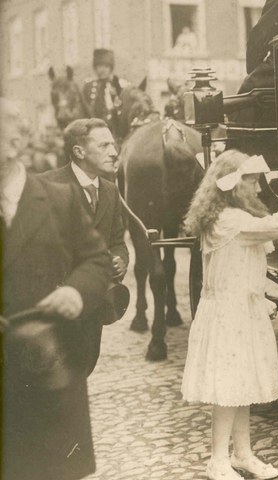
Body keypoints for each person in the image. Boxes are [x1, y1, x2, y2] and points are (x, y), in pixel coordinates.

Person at [181, 149, 278, 480]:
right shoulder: (229, 220)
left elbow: (244, 267)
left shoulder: (231, 216)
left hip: (240, 311)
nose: (259, 190)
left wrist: (258, 300)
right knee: (229, 385)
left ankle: (242, 454)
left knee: (241, 384)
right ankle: (218, 459)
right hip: (227, 316)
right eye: (253, 182)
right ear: (234, 185)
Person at [1, 98, 112, 480]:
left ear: (17, 142)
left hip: (50, 365)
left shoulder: (58, 200)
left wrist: (76, 292)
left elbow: (97, 261)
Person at [39, 118, 129, 352]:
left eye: (113, 144)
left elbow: (118, 241)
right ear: (79, 151)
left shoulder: (110, 191)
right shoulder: (46, 186)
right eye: (104, 146)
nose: (114, 152)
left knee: (86, 364)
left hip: (94, 306)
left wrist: (121, 260)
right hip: (55, 308)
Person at [80, 49, 130, 135]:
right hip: (93, 129)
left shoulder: (121, 85)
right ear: (95, 68)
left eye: (106, 67)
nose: (102, 70)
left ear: (111, 68)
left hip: (115, 130)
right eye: (99, 66)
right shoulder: (88, 86)